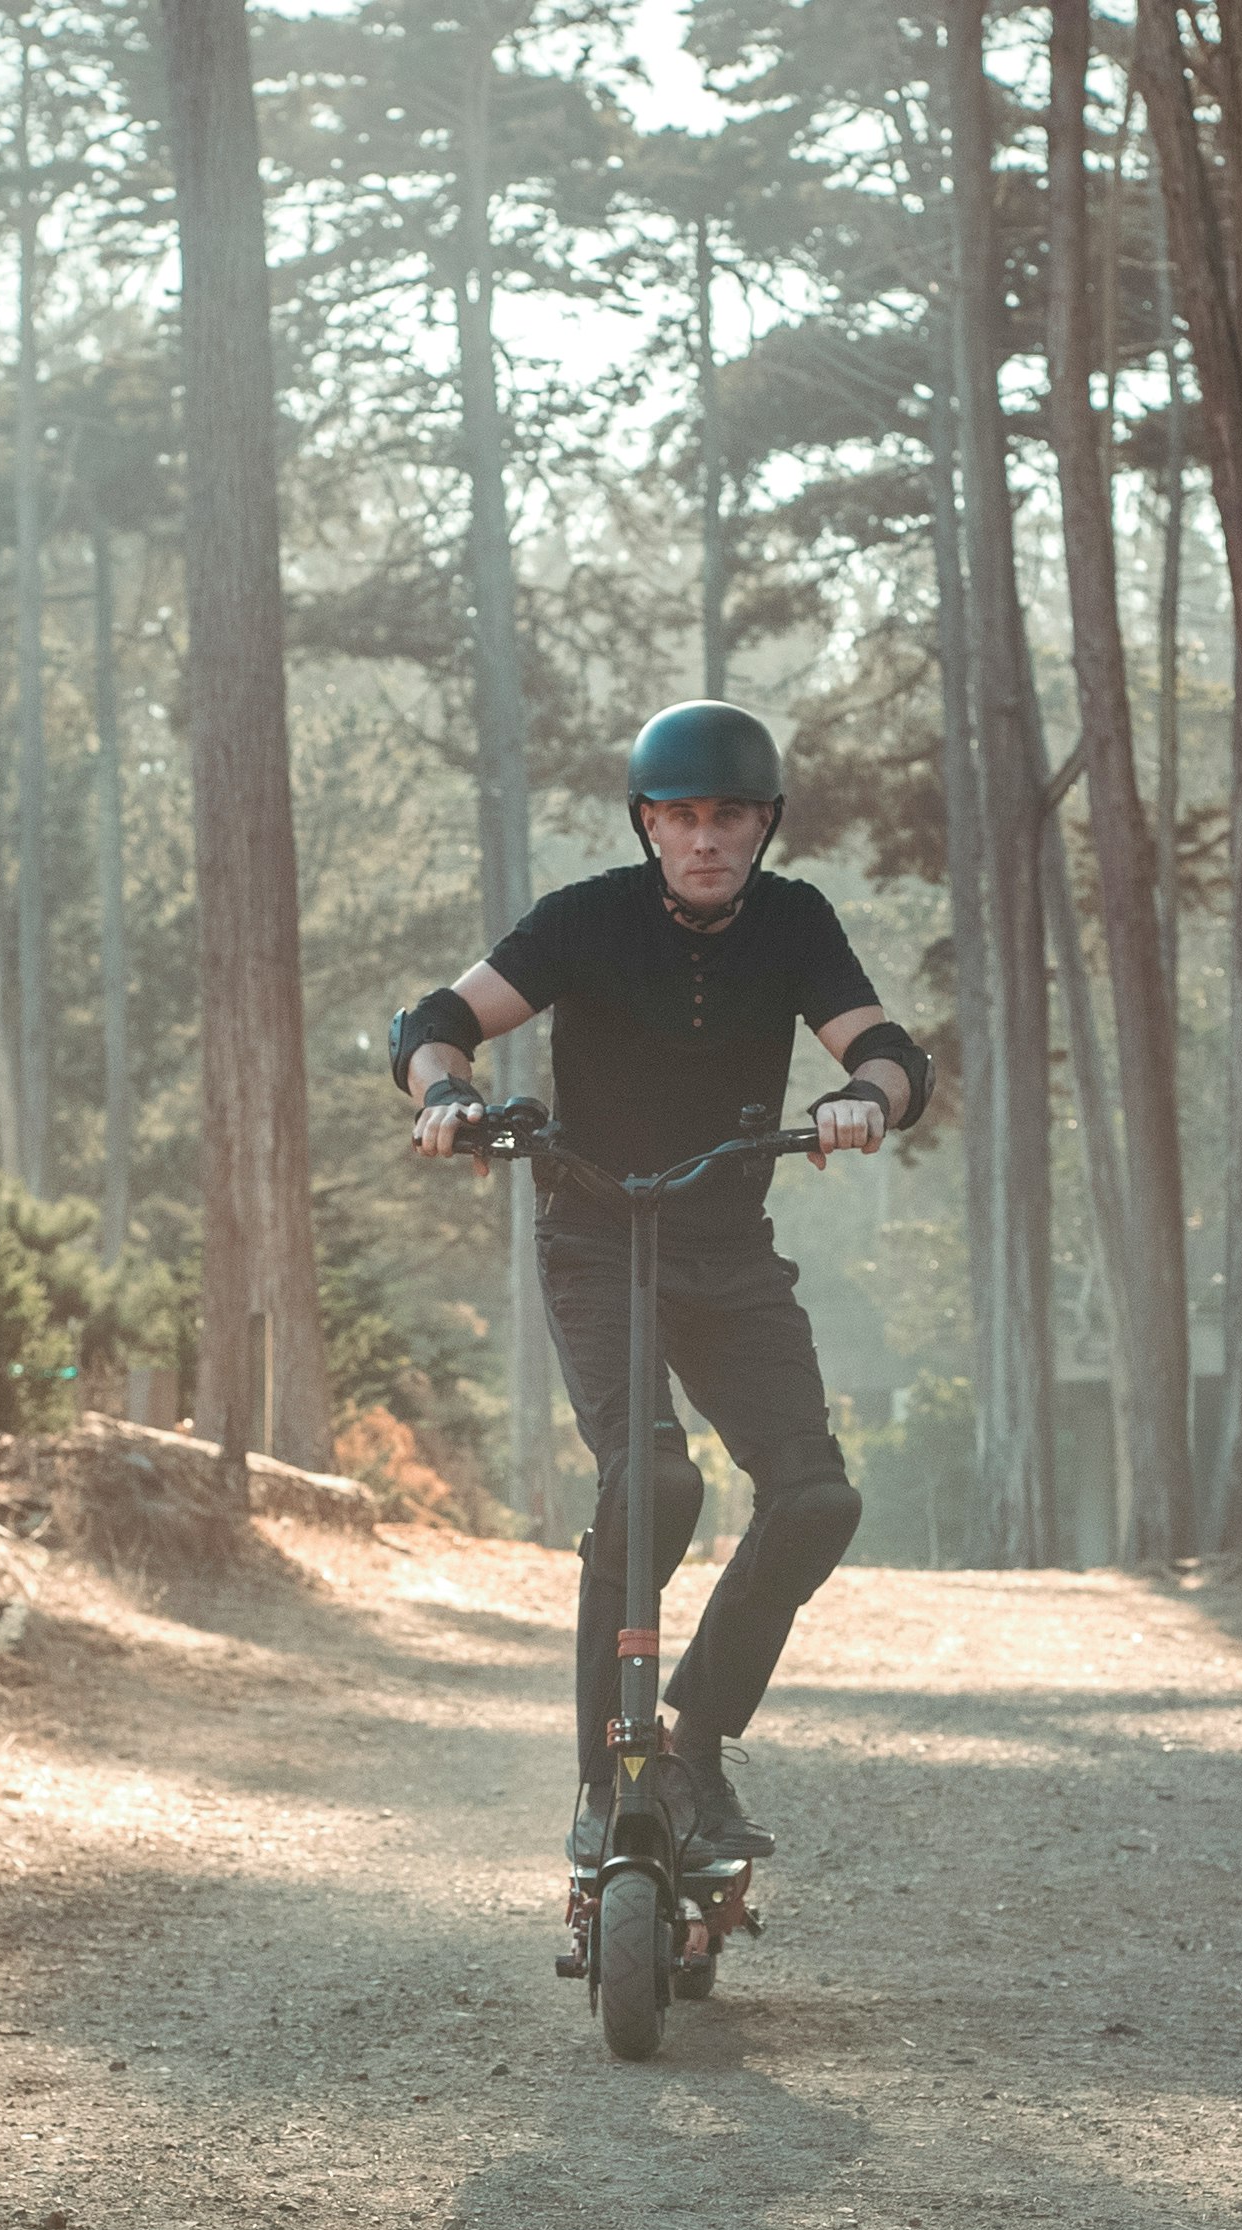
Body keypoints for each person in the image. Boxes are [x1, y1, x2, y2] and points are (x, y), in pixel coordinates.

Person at [388, 699, 930, 1878]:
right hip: (598, 1236)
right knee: (656, 1482)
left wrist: (866, 1102)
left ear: (763, 825)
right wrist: (443, 1094)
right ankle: (602, 1780)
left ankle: (691, 1745)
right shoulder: (583, 921)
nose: (704, 838)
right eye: (680, 815)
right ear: (646, 823)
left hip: (726, 1249)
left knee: (814, 1500)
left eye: (728, 815)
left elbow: (890, 1052)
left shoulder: (794, 925)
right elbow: (435, 1022)